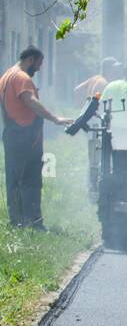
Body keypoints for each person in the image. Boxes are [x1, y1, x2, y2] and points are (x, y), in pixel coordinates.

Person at [1, 47, 70, 229]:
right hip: (25, 136)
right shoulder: (22, 78)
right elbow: (29, 100)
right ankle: (34, 223)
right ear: (30, 59)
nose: (39, 68)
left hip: (12, 134)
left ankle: (18, 222)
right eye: (38, 63)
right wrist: (55, 118)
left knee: (14, 180)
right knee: (30, 180)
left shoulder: (7, 76)